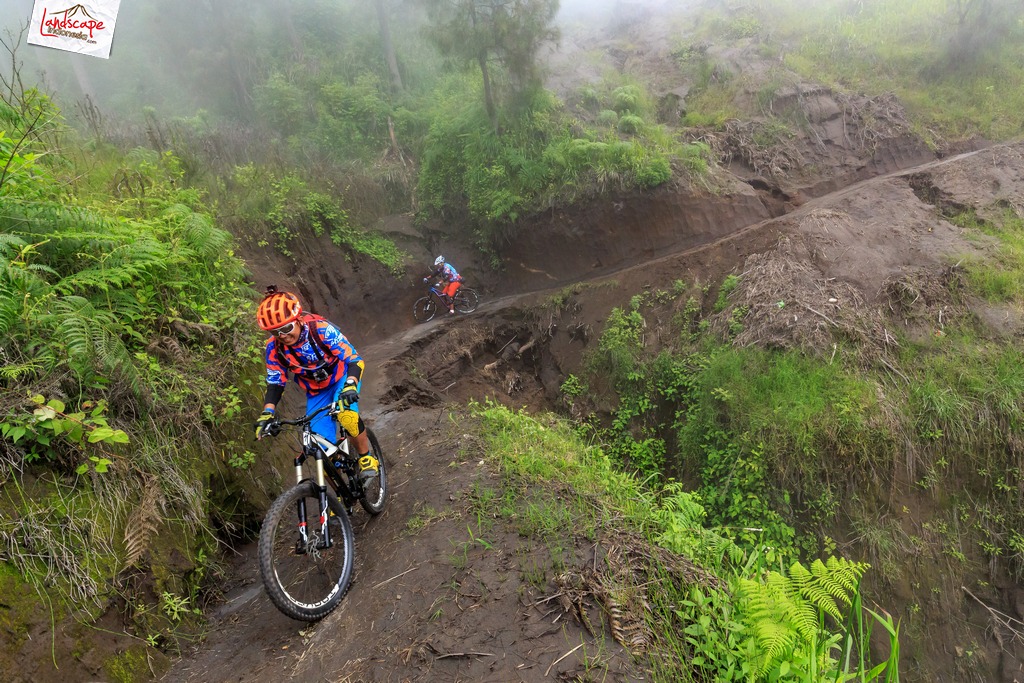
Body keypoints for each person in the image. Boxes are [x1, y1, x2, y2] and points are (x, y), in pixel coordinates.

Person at [252, 286, 377, 481]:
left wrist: (351, 384)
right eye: (275, 332)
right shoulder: (274, 348)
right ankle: (334, 498)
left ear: (298, 319)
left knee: (347, 415)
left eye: (286, 328)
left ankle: (365, 457)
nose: (282, 335)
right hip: (316, 392)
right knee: (318, 447)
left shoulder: (320, 329)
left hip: (341, 379)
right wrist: (267, 413)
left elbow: (354, 359)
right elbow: (275, 382)